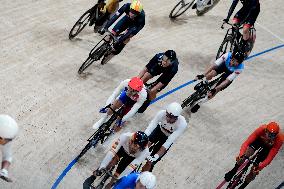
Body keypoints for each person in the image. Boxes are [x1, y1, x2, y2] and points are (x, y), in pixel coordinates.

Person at [224, 122, 283, 189]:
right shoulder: (261, 129)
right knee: (246, 153)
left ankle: (243, 186)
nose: (270, 137)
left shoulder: (279, 139)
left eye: (273, 135)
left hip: (268, 148)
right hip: (259, 141)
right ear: (265, 130)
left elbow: (270, 157)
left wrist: (260, 166)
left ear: (276, 135)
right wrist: (241, 155)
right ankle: (233, 170)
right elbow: (246, 143)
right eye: (269, 134)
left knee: (254, 170)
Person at [83, 131, 150, 189]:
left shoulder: (145, 152)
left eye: (139, 148)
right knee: (111, 162)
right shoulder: (125, 136)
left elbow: (130, 167)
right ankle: (93, 176)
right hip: (122, 150)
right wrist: (102, 166)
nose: (136, 149)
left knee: (117, 177)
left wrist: (119, 179)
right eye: (135, 146)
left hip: (132, 158)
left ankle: (110, 184)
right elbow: (111, 152)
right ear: (131, 141)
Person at [142, 102, 187, 171]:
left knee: (150, 162)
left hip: (168, 137)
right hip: (159, 130)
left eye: (171, 117)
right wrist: (143, 140)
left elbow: (168, 142)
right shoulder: (161, 113)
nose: (168, 119)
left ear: (177, 117)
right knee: (143, 147)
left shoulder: (182, 124)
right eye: (167, 115)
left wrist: (156, 156)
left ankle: (143, 177)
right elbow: (150, 128)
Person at [0, 114, 19, 182]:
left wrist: (4, 171)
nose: (9, 141)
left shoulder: (4, 137)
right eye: (8, 140)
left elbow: (7, 156)